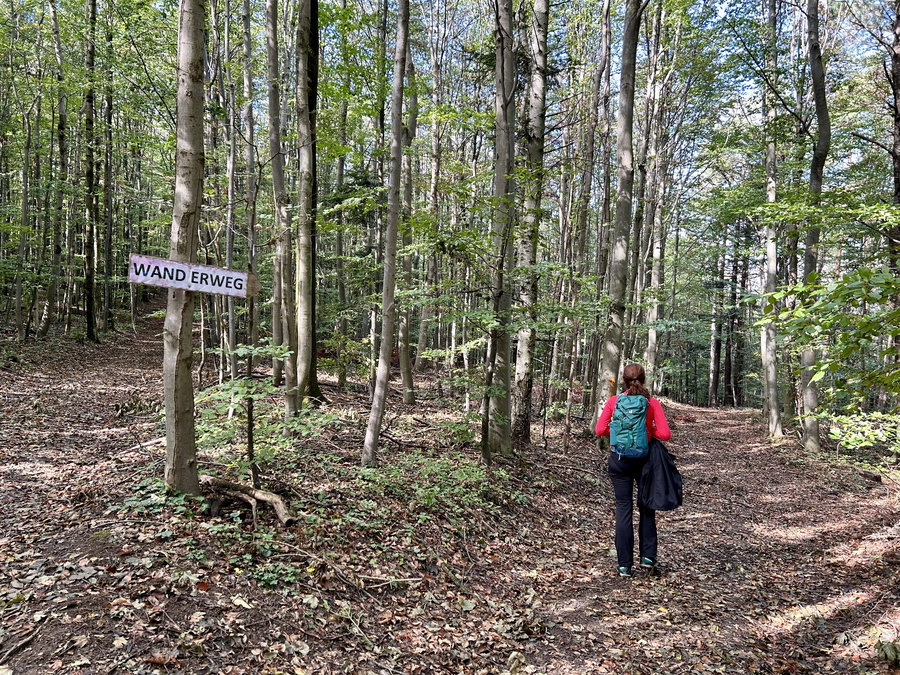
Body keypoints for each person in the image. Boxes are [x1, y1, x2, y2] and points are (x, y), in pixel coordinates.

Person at [595, 363, 671, 577]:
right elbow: (665, 434)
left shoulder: (614, 402)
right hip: (645, 461)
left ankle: (624, 565)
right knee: (647, 506)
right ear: (644, 380)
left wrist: (618, 432)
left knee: (623, 509)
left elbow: (600, 429)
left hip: (619, 460)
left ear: (623, 381)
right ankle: (647, 558)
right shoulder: (651, 403)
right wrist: (647, 431)